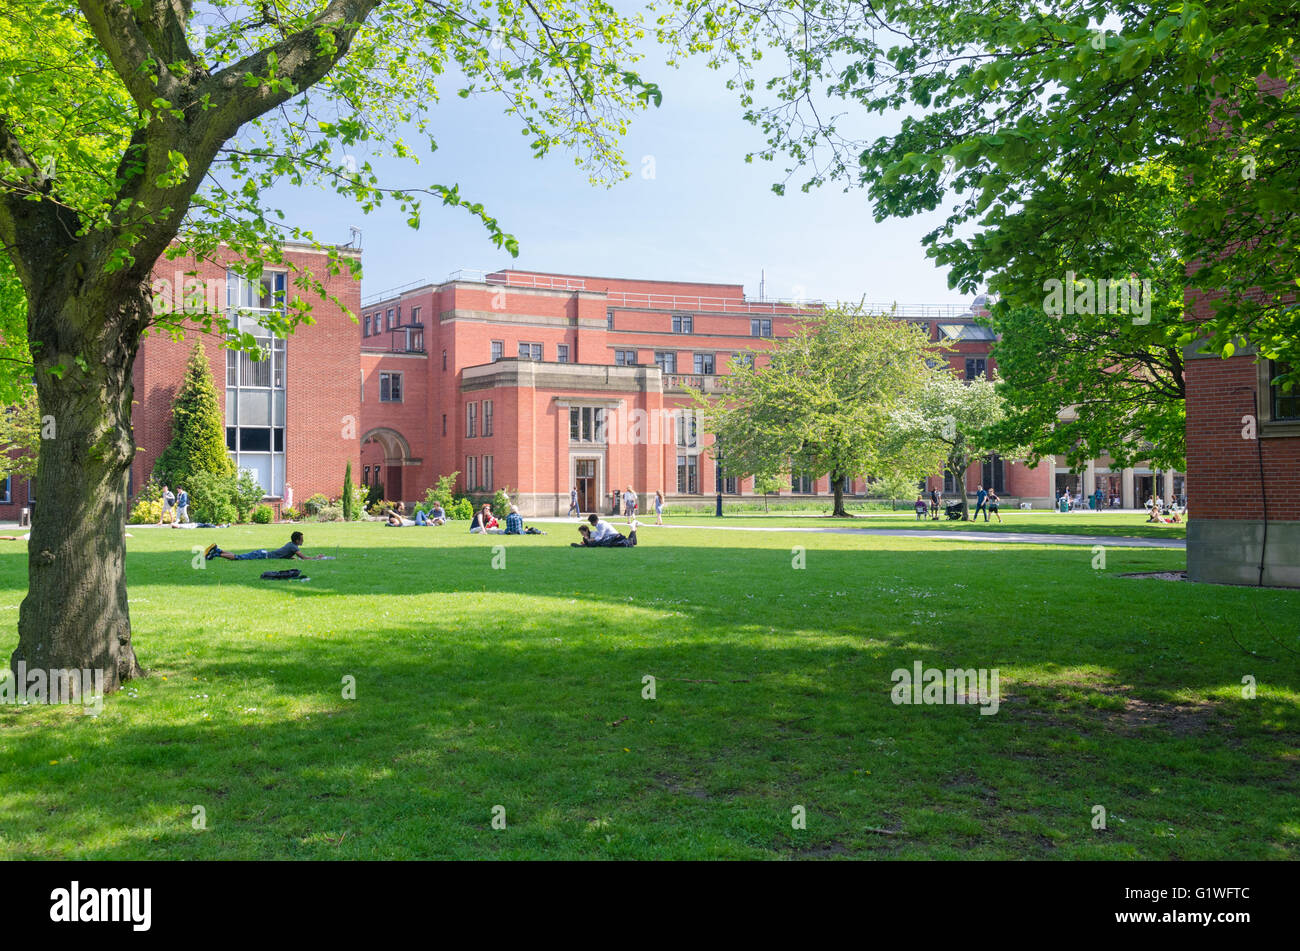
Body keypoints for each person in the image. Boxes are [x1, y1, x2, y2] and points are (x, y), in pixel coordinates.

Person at [205, 530, 324, 561]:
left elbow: (284, 554)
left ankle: (218, 550)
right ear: (297, 540)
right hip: (262, 556)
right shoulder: (294, 547)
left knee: (239, 556)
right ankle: (217, 553)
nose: (303, 541)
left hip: (263, 553)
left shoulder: (291, 545)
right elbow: (303, 557)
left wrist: (290, 558)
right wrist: (316, 558)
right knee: (238, 558)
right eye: (302, 539)